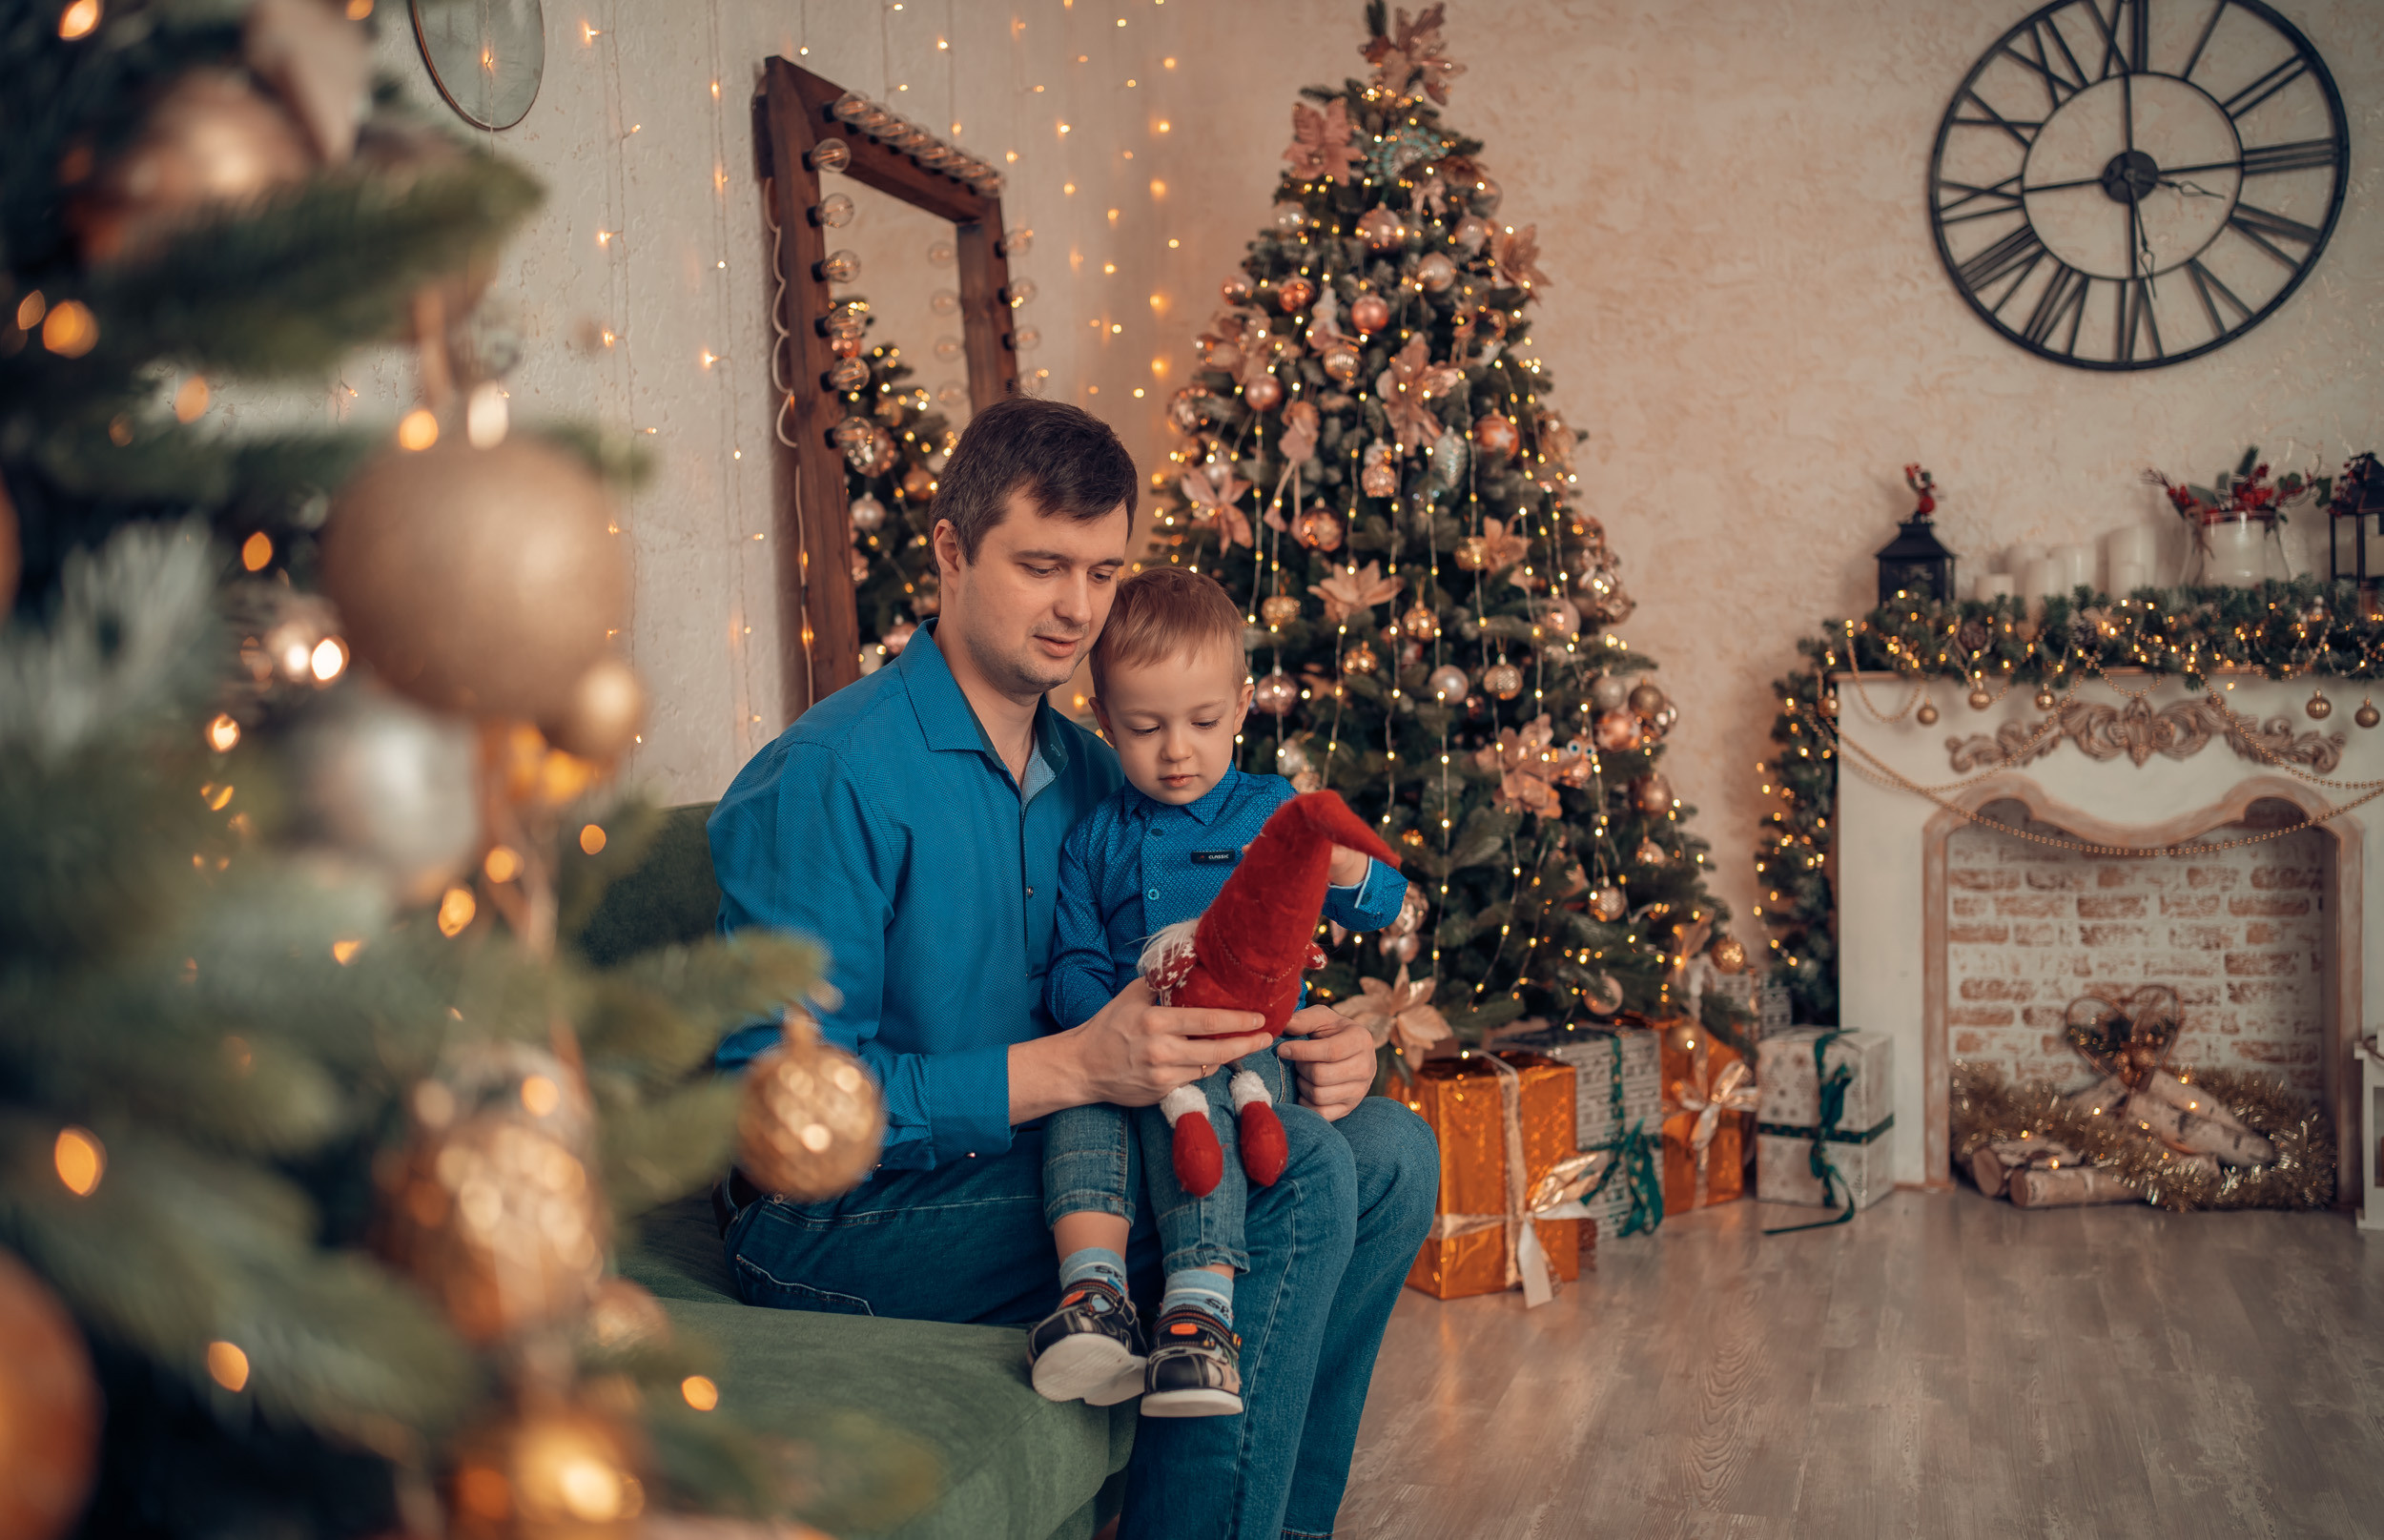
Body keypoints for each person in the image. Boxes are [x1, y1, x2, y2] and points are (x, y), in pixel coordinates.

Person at [707, 394, 1437, 1540]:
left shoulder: (1105, 772)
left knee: (1390, 1149)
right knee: (1291, 1177)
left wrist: (1308, 1041)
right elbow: (765, 1110)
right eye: (1044, 566)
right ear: (949, 550)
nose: (1079, 609)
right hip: (840, 1216)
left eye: (1103, 572)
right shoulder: (831, 776)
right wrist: (1072, 1067)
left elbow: (1206, 958)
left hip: (1053, 1153)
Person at [1028, 567, 1408, 1420]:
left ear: (1241, 707)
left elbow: (1382, 898)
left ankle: (1201, 1311)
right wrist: (1115, 1010)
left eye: (1203, 723)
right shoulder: (1097, 838)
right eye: (1144, 726)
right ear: (1102, 716)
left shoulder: (1275, 811)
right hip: (1129, 1049)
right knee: (1079, 1112)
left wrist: (1348, 867)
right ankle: (1094, 1297)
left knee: (1219, 1132)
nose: (1176, 751)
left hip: (1242, 1051)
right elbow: (1070, 961)